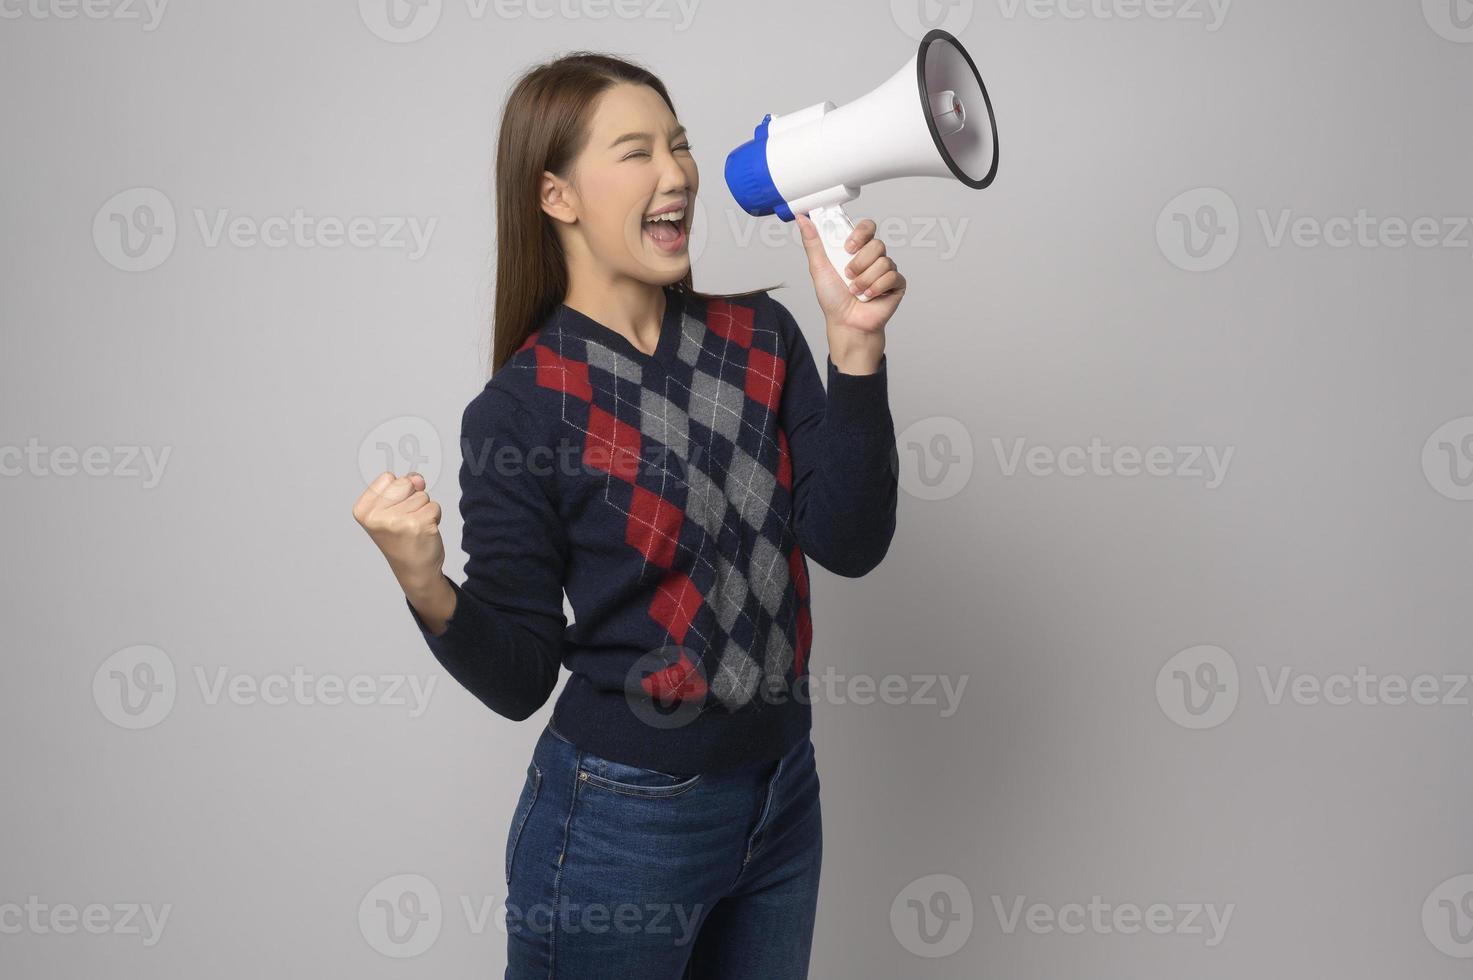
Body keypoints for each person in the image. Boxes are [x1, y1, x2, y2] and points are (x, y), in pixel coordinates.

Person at [352, 49, 905, 979]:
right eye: (636, 151)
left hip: (780, 795)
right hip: (620, 823)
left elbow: (849, 543)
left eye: (678, 146)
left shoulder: (761, 338)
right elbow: (522, 676)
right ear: (557, 195)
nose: (676, 173)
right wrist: (423, 584)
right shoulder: (519, 410)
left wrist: (856, 353)